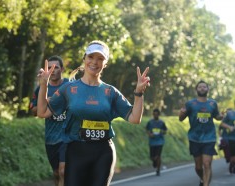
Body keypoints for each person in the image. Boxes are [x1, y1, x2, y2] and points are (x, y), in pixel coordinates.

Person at [37, 40, 150, 186]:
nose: (94, 62)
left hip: (103, 152)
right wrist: (43, 86)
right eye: (91, 57)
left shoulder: (110, 92)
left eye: (100, 58)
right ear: (84, 58)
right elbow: (43, 112)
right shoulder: (69, 89)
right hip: (76, 150)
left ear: (105, 63)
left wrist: (139, 93)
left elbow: (135, 118)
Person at [29, 55, 68, 186]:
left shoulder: (71, 86)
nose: (52, 70)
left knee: (64, 171)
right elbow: (34, 111)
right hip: (51, 138)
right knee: (57, 173)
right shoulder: (41, 88)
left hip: (68, 137)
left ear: (62, 69)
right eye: (49, 68)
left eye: (56, 67)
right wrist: (46, 102)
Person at [179, 80, 223, 186]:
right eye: (200, 87)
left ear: (208, 89)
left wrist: (221, 116)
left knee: (207, 164)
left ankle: (206, 184)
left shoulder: (213, 103)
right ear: (196, 90)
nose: (202, 88)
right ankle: (203, 179)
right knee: (198, 167)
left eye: (204, 87)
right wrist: (182, 113)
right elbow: (181, 119)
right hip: (195, 138)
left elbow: (217, 116)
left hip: (209, 137)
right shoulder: (190, 104)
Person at [146, 108, 167, 176]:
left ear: (159, 114)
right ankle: (154, 162)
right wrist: (150, 134)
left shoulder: (162, 122)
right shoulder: (150, 122)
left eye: (157, 114)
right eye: (154, 114)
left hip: (160, 142)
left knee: (158, 156)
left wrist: (161, 131)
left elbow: (165, 131)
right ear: (153, 114)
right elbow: (147, 130)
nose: (155, 115)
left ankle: (158, 170)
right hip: (152, 142)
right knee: (152, 157)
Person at [220, 109, 235, 174]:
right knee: (232, 156)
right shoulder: (230, 114)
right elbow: (222, 124)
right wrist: (230, 127)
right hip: (231, 138)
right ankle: (232, 163)